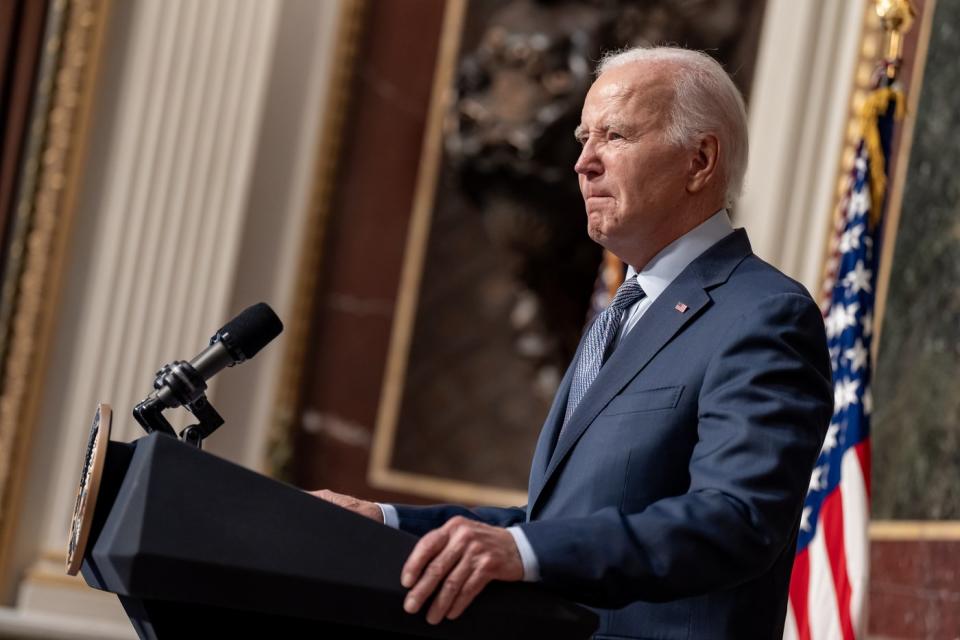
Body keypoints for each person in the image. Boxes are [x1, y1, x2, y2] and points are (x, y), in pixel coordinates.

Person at [313, 46, 833, 639]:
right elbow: (557, 525)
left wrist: (527, 552)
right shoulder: (622, 312)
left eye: (613, 136)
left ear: (700, 159)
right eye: (583, 138)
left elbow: (735, 520)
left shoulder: (762, 315)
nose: (583, 163)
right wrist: (384, 521)